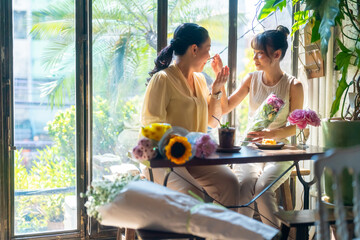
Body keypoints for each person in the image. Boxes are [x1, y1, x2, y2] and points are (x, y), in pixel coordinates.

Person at [211, 25, 304, 226]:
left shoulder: (293, 85)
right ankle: (243, 236)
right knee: (243, 185)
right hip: (251, 149)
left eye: (259, 54)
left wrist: (272, 132)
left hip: (281, 150)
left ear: (277, 54)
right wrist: (221, 79)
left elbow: (296, 127)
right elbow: (225, 107)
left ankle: (273, 235)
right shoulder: (251, 79)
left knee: (263, 187)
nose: (254, 59)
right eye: (254, 53)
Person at [141, 23, 240, 207]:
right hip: (163, 160)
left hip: (195, 158)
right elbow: (150, 127)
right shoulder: (162, 79)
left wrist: (217, 91)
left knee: (231, 184)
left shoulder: (201, 80)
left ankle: (220, 234)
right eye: (208, 49)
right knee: (195, 195)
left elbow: (212, 122)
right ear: (194, 49)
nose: (209, 56)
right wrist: (179, 143)